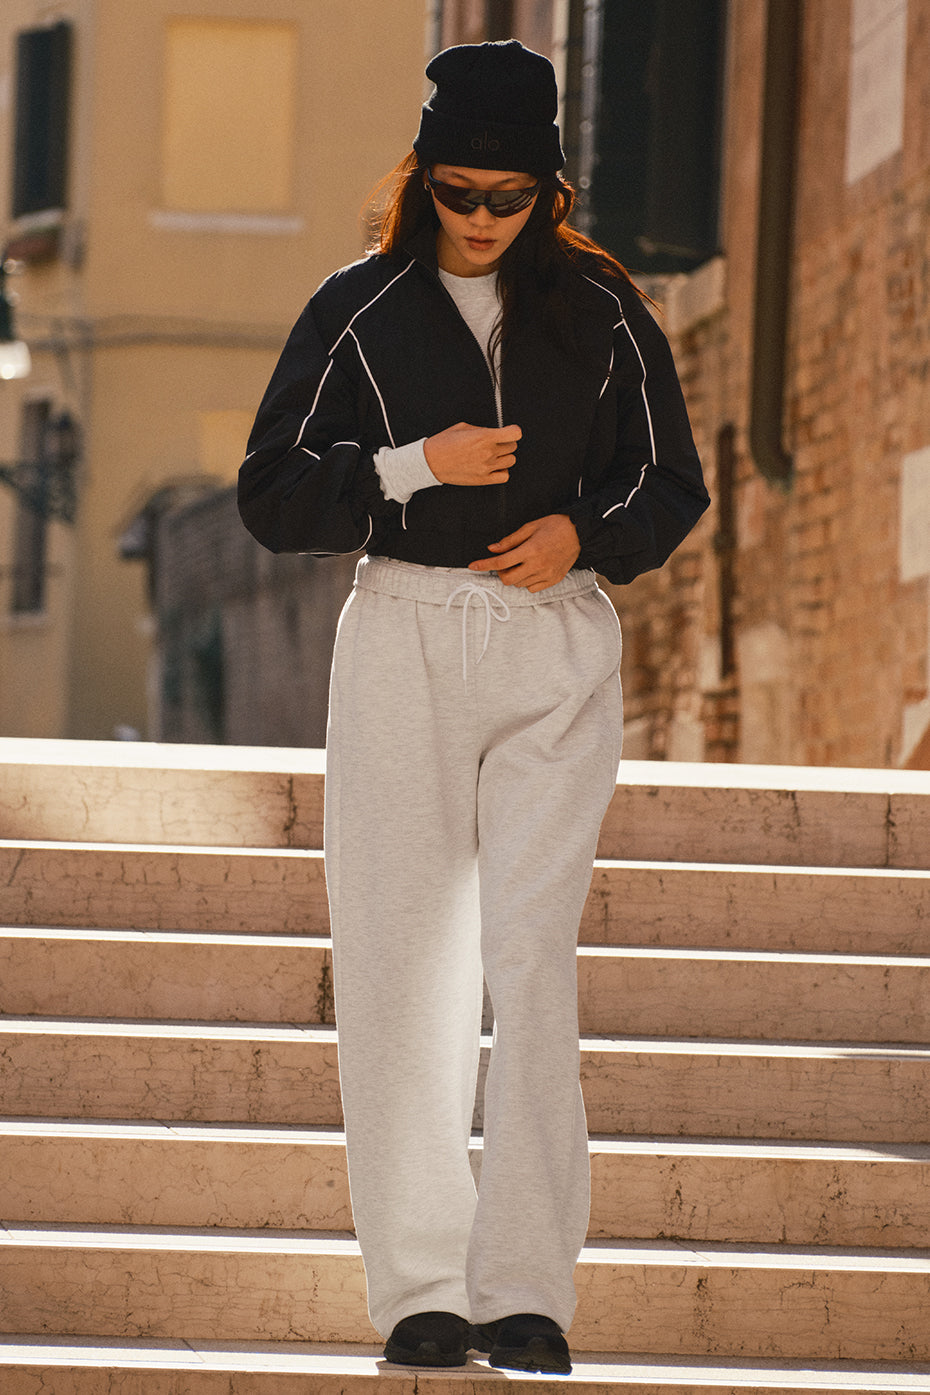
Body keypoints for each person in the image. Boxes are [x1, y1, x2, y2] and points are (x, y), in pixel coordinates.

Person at [239, 39, 709, 1375]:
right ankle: (422, 1293)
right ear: (423, 179)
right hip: (403, 633)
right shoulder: (356, 308)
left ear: (550, 191)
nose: (485, 218)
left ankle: (528, 1291)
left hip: (552, 643)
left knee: (530, 959)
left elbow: (670, 481)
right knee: (401, 962)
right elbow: (272, 492)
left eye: (512, 197)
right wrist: (410, 467)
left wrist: (583, 536)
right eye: (460, 193)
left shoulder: (602, 310)